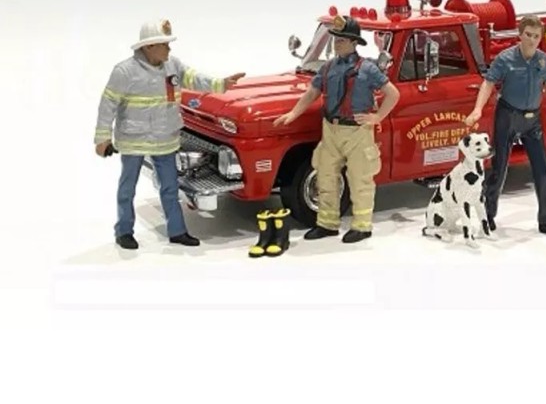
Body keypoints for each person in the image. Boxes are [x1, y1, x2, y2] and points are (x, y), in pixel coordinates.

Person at [94, 19, 245, 250]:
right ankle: (123, 231)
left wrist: (220, 84)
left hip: (165, 139)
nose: (169, 48)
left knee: (170, 188)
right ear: (149, 46)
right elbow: (108, 104)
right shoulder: (125, 71)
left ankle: (177, 231)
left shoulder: (172, 65)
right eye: (164, 44)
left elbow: (194, 79)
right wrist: (102, 138)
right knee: (127, 189)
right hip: (134, 141)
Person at [274, 15, 400, 243]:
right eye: (335, 39)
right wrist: (293, 113)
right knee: (325, 176)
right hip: (331, 130)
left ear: (354, 43)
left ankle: (362, 226)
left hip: (357, 132)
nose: (336, 43)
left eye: (341, 40)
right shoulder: (328, 67)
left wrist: (377, 117)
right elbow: (312, 92)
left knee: (360, 180)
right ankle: (327, 223)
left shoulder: (368, 68)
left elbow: (392, 93)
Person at [464, 15, 546, 239]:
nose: (532, 40)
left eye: (536, 36)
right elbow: (488, 83)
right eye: (528, 35)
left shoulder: (545, 61)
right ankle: (488, 215)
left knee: (542, 169)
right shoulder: (505, 59)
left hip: (533, 120)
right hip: (508, 115)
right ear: (520, 35)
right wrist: (477, 109)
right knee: (499, 167)